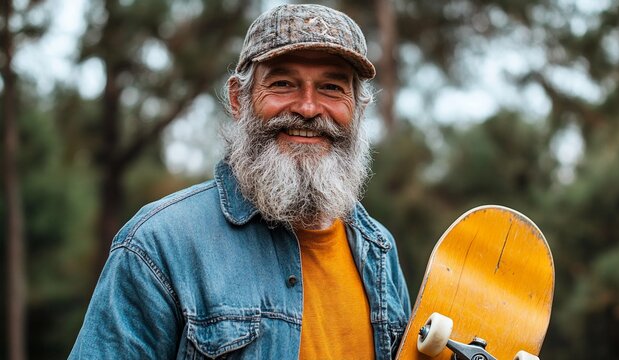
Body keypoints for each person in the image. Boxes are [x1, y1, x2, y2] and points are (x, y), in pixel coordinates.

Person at [70, 4, 410, 359]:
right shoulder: (159, 246)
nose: (308, 108)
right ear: (238, 99)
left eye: (331, 87)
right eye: (282, 83)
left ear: (358, 108)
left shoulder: (378, 250)